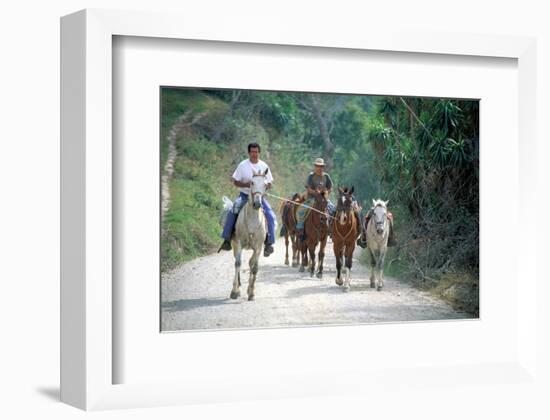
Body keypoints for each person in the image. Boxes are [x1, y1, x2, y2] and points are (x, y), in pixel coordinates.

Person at [218, 142, 276, 257]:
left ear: (259, 153)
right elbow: (235, 181)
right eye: (252, 152)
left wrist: (264, 185)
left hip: (259, 196)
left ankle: (269, 242)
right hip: (244, 195)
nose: (254, 154)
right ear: (249, 153)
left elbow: (270, 183)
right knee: (233, 210)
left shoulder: (264, 166)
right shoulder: (243, 165)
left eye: (256, 152)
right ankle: (227, 239)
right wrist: (247, 184)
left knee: (270, 215)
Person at [295, 158, 336, 241]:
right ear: (315, 166)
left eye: (321, 166)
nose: (319, 168)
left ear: (323, 167)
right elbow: (308, 188)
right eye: (317, 166)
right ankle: (300, 229)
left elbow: (330, 187)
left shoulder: (326, 176)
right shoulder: (311, 176)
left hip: (323, 199)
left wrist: (326, 192)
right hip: (312, 199)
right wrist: (315, 192)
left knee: (333, 210)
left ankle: (332, 230)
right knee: (301, 210)